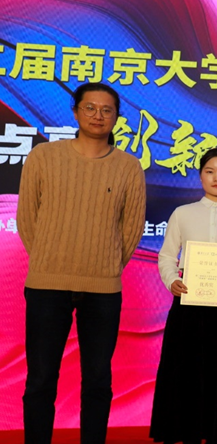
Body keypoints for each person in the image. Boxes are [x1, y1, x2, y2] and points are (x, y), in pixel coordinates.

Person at [18, 82, 146, 444]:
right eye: (90, 108)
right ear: (75, 112)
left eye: (107, 110)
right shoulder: (43, 156)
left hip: (103, 290)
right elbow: (28, 219)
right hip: (46, 287)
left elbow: (131, 228)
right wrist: (50, 259)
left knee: (98, 381)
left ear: (116, 118)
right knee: (40, 379)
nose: (98, 116)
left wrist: (105, 266)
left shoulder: (128, 167)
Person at [149, 148, 217, 444]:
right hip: (188, 297)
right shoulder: (182, 213)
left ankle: (216, 435)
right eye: (210, 171)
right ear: (200, 176)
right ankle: (183, 432)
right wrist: (172, 280)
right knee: (184, 367)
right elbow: (167, 256)